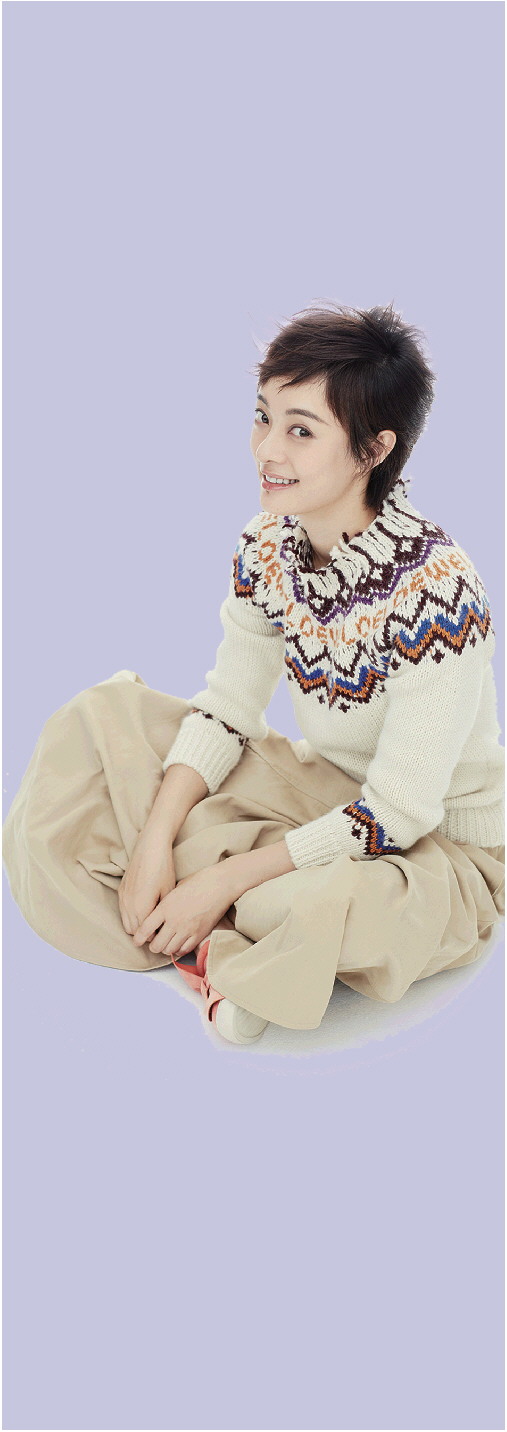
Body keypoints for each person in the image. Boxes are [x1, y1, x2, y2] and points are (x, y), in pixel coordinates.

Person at [3, 302, 505, 1046]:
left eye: (301, 430)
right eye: (263, 417)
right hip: (320, 792)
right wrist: (155, 841)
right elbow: (227, 709)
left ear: (373, 449)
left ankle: (225, 933)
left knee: (307, 904)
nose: (266, 449)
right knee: (101, 716)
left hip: (434, 849)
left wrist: (224, 877)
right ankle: (214, 938)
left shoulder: (437, 593)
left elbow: (399, 812)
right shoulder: (268, 548)